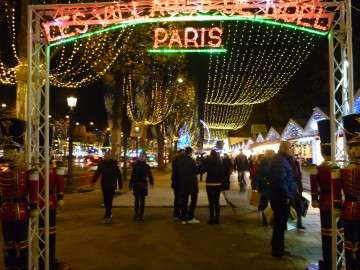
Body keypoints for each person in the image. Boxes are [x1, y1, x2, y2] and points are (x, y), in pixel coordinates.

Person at [310, 119, 343, 270]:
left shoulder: (318, 168)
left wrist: (314, 199)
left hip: (324, 201)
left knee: (326, 233)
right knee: (338, 232)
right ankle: (336, 260)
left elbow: (313, 187)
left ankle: (328, 260)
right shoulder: (339, 168)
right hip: (338, 202)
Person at [333, 113, 360, 270]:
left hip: (352, 209)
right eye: (354, 148)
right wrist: (337, 206)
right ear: (349, 150)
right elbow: (337, 190)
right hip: (349, 209)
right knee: (350, 241)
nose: (356, 152)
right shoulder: (342, 171)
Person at [268, 141, 296, 259]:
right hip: (281, 198)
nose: (292, 149)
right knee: (279, 225)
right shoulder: (280, 161)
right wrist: (286, 196)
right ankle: (278, 251)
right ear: (284, 149)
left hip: (279, 196)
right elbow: (280, 181)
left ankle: (279, 248)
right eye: (290, 147)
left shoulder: (281, 159)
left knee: (280, 225)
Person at [91, 152, 122, 224]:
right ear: (104, 157)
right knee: (105, 199)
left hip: (111, 184)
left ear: (110, 157)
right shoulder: (101, 163)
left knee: (109, 199)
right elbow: (97, 173)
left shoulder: (114, 164)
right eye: (105, 157)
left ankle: (107, 214)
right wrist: (93, 181)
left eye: (108, 157)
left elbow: (119, 174)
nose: (106, 158)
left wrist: (120, 185)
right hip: (104, 184)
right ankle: (109, 213)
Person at [199, 150, 224, 224]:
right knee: (217, 202)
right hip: (218, 184)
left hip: (210, 184)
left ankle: (211, 219)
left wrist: (204, 162)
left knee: (211, 202)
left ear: (211, 156)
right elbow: (222, 175)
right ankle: (217, 219)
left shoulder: (208, 163)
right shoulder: (220, 164)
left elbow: (201, 171)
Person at [176, 146, 200, 224]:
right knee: (193, 200)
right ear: (190, 152)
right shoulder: (191, 160)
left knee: (184, 201)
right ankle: (190, 217)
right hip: (191, 183)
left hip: (182, 183)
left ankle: (183, 218)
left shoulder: (178, 160)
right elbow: (196, 171)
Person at [129, 153, 154, 221]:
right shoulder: (136, 166)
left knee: (142, 201)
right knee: (137, 200)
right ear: (139, 157)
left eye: (143, 156)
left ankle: (141, 214)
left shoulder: (146, 166)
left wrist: (151, 182)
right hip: (137, 184)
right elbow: (132, 175)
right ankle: (136, 213)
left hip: (143, 184)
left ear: (144, 157)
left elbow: (150, 175)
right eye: (140, 156)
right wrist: (130, 185)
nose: (141, 158)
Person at [255, 150, 275, 226]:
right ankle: (265, 220)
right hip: (264, 186)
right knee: (264, 204)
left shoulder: (275, 161)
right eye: (270, 154)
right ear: (267, 154)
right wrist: (256, 186)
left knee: (273, 204)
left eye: (272, 154)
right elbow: (259, 173)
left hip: (273, 186)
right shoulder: (264, 162)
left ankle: (271, 219)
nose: (271, 155)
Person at [290, 155, 305, 229]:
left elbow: (299, 175)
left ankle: (299, 223)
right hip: (291, 188)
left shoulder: (296, 164)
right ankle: (288, 224)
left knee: (298, 205)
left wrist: (300, 187)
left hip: (298, 187)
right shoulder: (287, 164)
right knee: (289, 206)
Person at [171, 149, 185, 219]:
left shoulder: (176, 160)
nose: (183, 155)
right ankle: (177, 212)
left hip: (177, 182)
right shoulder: (177, 161)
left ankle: (177, 212)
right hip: (178, 182)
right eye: (182, 154)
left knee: (178, 198)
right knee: (178, 198)